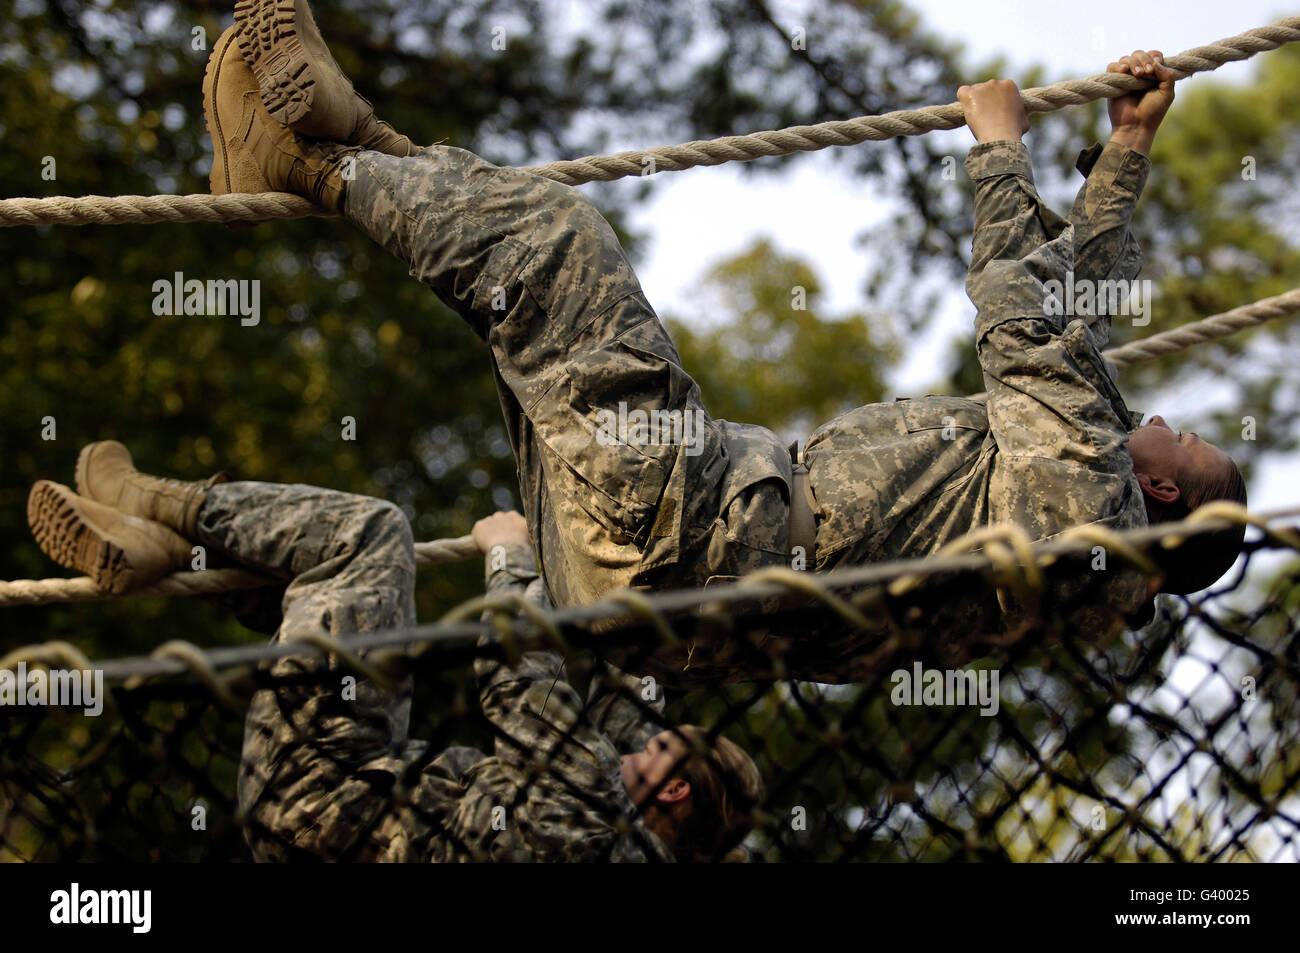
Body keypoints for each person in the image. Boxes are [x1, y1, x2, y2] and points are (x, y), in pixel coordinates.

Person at [53, 6, 1252, 687]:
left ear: (1155, 487)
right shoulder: (1084, 551)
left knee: (556, 246)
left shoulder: (1087, 503)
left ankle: (311, 160)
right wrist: (1125, 152)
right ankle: (165, 511)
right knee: (513, 301)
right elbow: (1072, 344)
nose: (1163, 415)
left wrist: (998, 151)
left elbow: (1033, 329)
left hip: (692, 520)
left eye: (1185, 438)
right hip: (643, 590)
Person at [26, 449, 763, 862]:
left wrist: (509, 556)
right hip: (335, 807)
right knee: (343, 606)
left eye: (661, 745)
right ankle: (161, 551)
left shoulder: (595, 815)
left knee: (371, 536)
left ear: (673, 793)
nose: (641, 739)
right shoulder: (620, 829)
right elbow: (616, 705)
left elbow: (519, 681)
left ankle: (157, 501)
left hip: (322, 782)